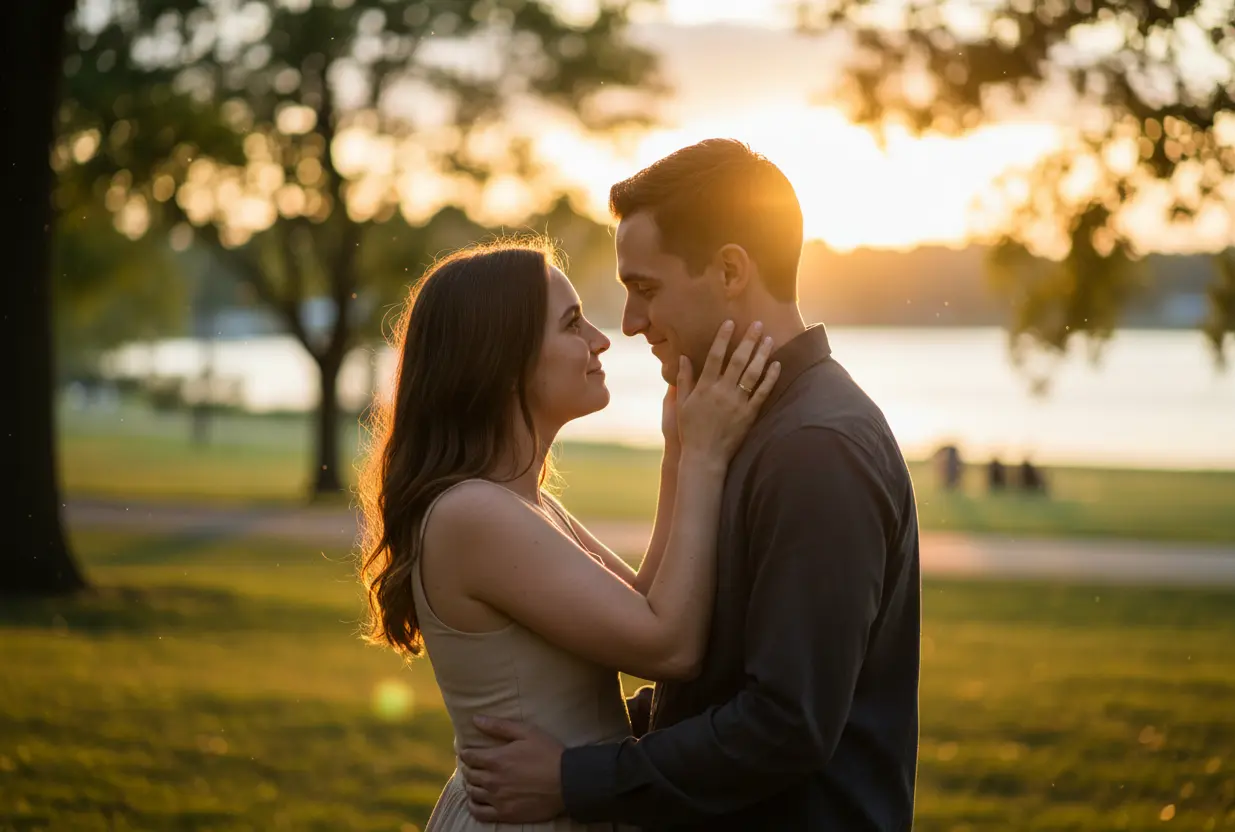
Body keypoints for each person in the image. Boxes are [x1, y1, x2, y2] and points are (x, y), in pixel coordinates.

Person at [459, 139, 922, 830]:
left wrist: (573, 777)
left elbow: (784, 724)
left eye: (645, 288)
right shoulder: (742, 423)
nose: (630, 323)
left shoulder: (815, 448)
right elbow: (719, 682)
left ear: (731, 269)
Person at [357, 239, 780, 832]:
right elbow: (671, 648)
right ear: (503, 364)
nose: (601, 340)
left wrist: (678, 449)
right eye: (571, 324)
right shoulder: (474, 514)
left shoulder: (517, 503)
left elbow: (645, 606)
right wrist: (706, 459)